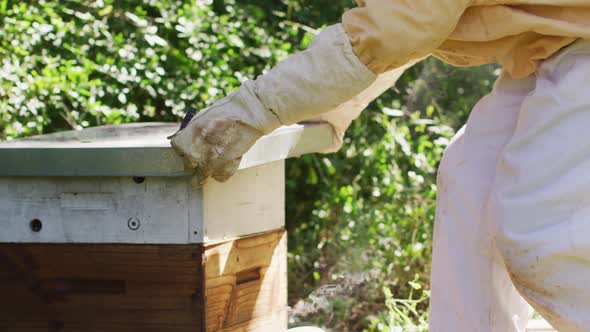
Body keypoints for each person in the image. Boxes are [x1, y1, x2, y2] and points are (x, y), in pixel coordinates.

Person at [169, 1, 590, 331]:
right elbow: (394, 33)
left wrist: (253, 109)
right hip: (547, 46)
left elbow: (384, 36)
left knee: (538, 228)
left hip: (580, 47)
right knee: (469, 181)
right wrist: (319, 114)